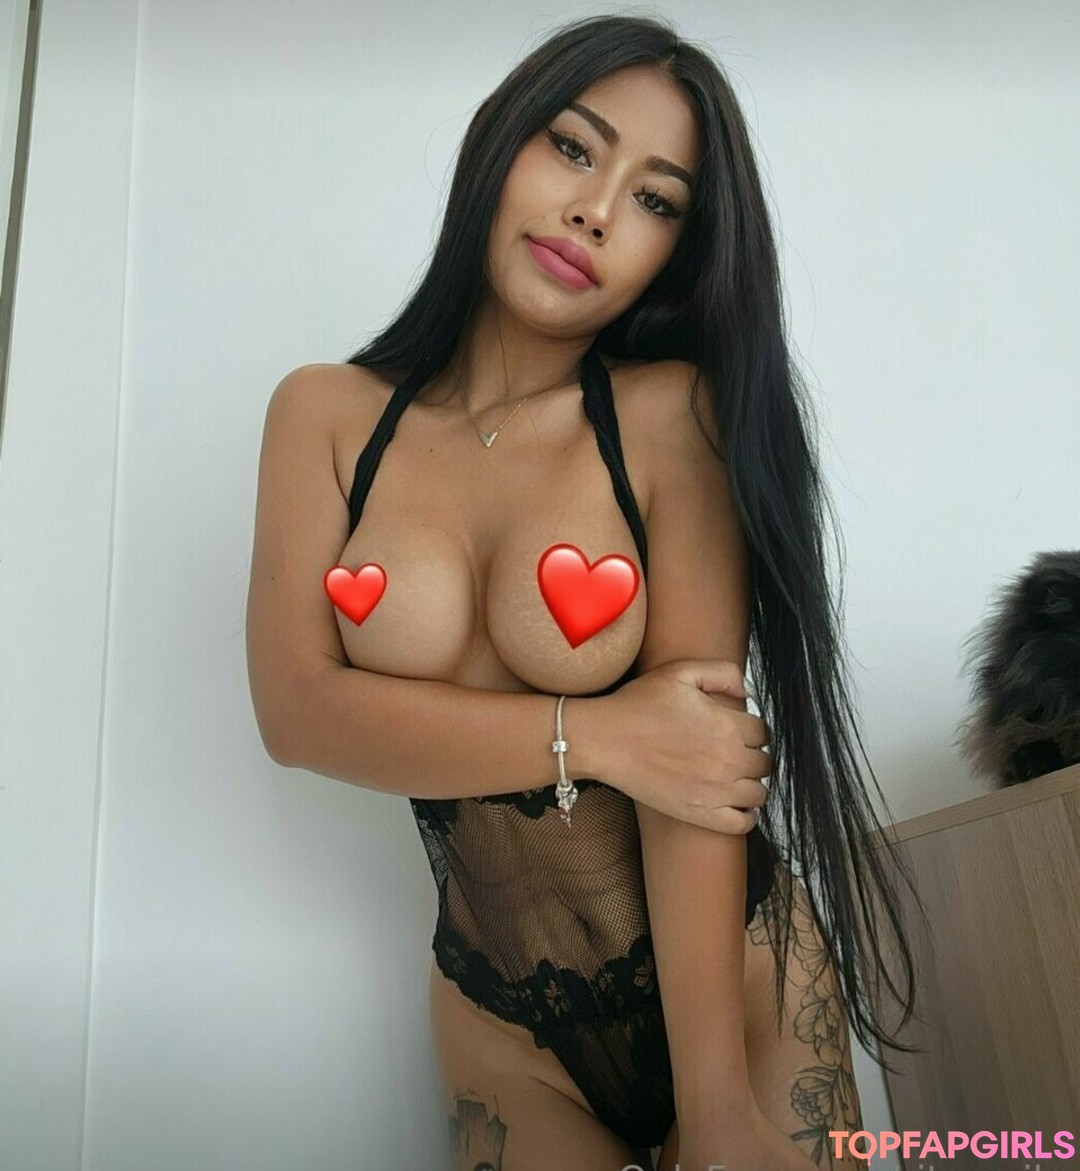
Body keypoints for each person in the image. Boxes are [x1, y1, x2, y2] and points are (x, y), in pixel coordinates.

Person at [246, 13, 923, 1171]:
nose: (597, 211)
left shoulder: (672, 416)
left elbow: (695, 773)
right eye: (572, 147)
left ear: (676, 251)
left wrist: (719, 1108)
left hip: (734, 982)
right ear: (500, 140)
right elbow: (298, 713)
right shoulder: (324, 415)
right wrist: (601, 732)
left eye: (655, 199)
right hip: (503, 1023)